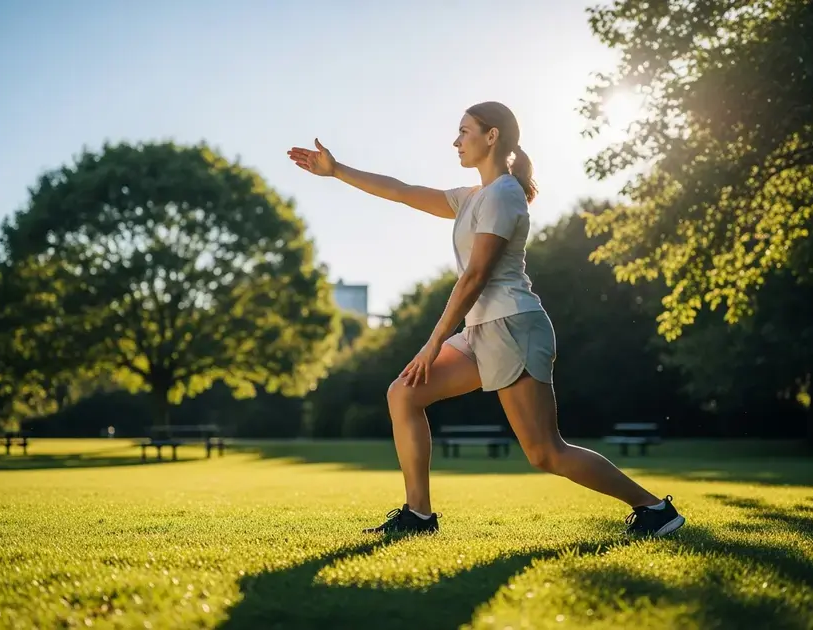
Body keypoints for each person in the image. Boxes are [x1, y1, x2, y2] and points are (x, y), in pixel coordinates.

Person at [287, 101, 686, 539]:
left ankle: (654, 509)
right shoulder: (472, 196)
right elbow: (401, 190)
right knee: (403, 394)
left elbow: (476, 276)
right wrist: (337, 169)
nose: (456, 140)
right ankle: (418, 516)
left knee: (545, 453)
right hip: (481, 331)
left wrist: (434, 342)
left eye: (464, 131)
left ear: (491, 136)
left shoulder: (505, 194)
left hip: (513, 327)